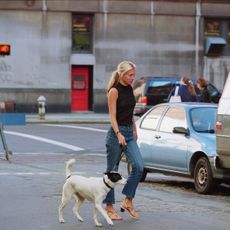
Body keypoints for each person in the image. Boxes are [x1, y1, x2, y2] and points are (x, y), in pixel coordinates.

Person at [103, 61, 144, 221]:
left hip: (128, 132)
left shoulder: (130, 90)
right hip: (116, 134)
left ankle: (128, 200)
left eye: (133, 74)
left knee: (139, 166)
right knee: (112, 171)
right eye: (130, 75)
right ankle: (109, 207)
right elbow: (112, 116)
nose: (133, 78)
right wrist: (118, 133)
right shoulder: (114, 91)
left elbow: (130, 112)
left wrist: (134, 129)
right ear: (122, 74)